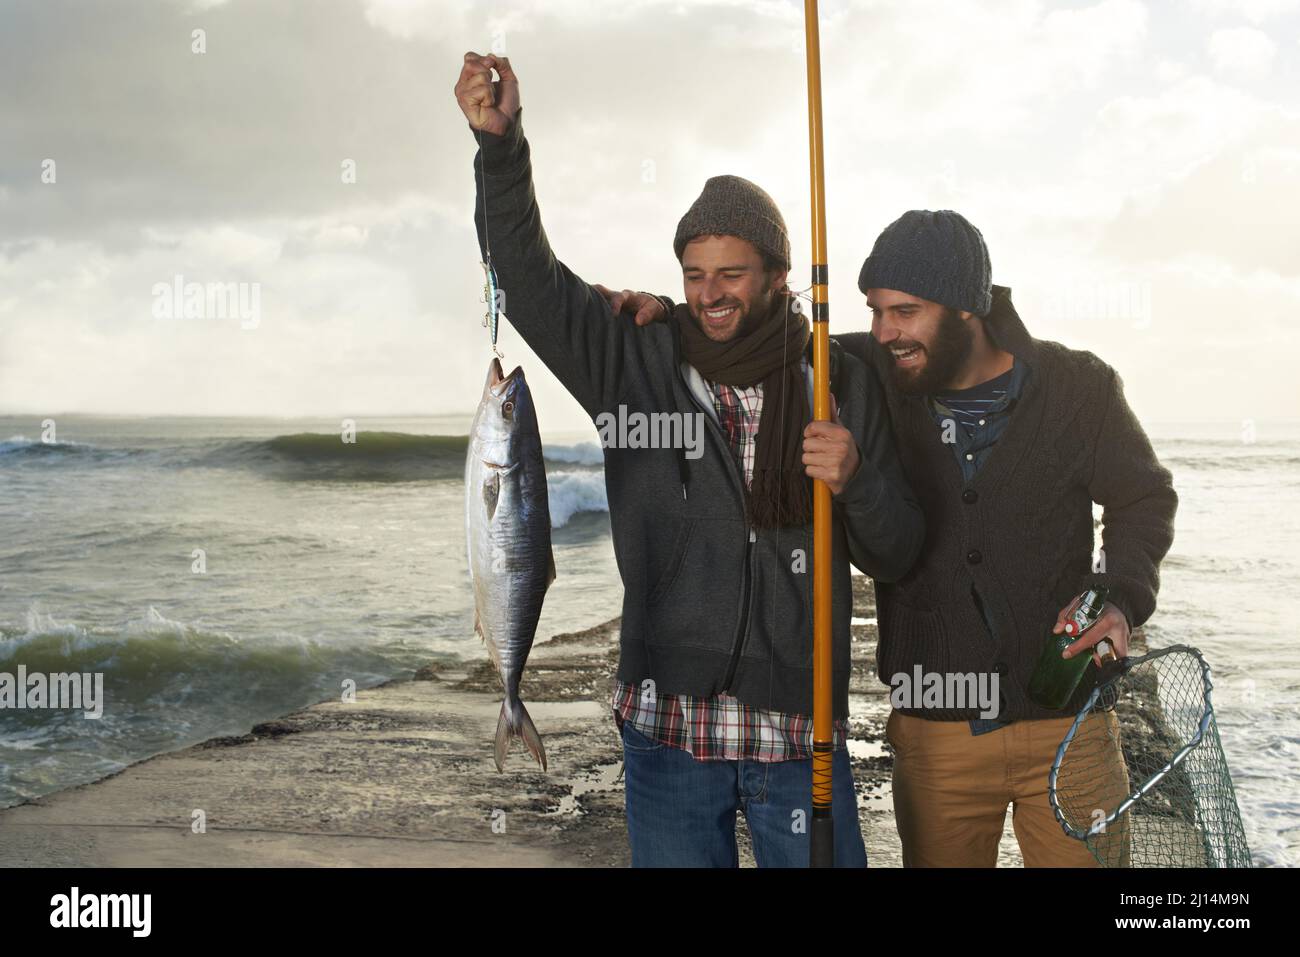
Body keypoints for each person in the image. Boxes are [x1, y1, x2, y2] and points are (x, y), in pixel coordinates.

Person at [455, 52, 923, 867]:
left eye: (732, 274)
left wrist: (858, 483)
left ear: (777, 276)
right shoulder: (633, 360)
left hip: (799, 731)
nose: (710, 293)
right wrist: (501, 146)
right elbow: (526, 281)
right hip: (668, 729)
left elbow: (899, 551)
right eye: (695, 274)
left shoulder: (839, 379)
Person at [605, 209, 1176, 867]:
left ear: (967, 309)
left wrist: (1123, 596)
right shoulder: (865, 370)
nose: (884, 331)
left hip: (1072, 723)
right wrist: (675, 318)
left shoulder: (1079, 387)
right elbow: (760, 332)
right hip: (939, 737)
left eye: (904, 311)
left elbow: (1144, 497)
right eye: (874, 310)